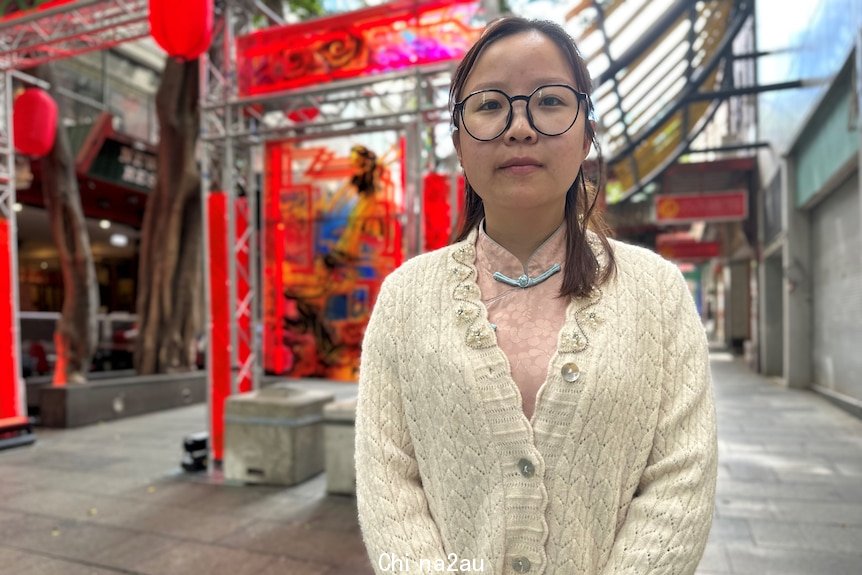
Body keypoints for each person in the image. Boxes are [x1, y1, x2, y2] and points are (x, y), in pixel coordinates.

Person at [355, 17, 717, 575]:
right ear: (458, 142)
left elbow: (681, 477)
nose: (519, 127)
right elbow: (387, 478)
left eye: (549, 101)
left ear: (586, 134)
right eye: (490, 105)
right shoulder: (405, 298)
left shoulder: (658, 293)